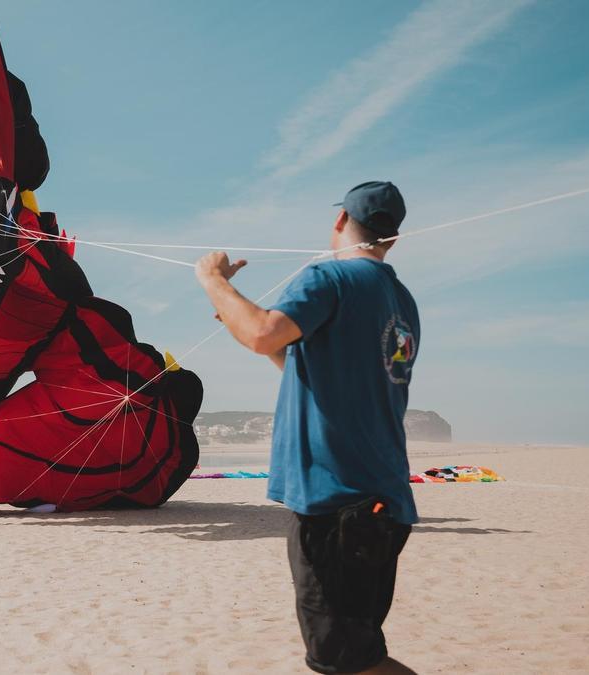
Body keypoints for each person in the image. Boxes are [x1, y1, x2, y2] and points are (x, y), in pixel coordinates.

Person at [195, 181, 419, 674]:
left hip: (338, 505)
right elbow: (314, 371)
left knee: (348, 663)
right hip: (382, 502)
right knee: (355, 654)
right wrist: (239, 316)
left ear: (340, 221)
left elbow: (262, 332)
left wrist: (213, 279)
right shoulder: (402, 300)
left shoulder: (329, 278)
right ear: (393, 238)